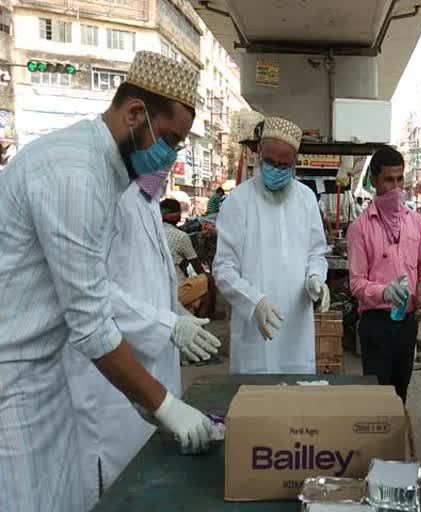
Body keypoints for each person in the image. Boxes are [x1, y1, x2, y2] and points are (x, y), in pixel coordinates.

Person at [0, 51, 215, 511]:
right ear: (135, 112)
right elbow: (92, 322)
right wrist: (164, 405)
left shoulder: (107, 172)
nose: (172, 156)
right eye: (171, 141)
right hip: (12, 381)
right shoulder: (74, 174)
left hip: (46, 374)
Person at [64, 181, 221, 508]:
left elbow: (150, 281)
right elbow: (90, 291)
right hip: (109, 386)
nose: (169, 152)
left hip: (155, 372)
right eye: (170, 139)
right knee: (115, 491)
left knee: (154, 482)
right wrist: (167, 323)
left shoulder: (146, 201)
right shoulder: (94, 194)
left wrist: (176, 313)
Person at [213, 116, 331, 374]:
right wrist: (254, 302)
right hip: (255, 330)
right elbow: (223, 268)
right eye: (270, 162)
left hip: (296, 332)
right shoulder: (238, 201)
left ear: (294, 163)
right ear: (259, 154)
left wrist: (315, 278)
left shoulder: (306, 198)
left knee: (298, 406)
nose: (275, 169)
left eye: (283, 164)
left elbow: (316, 252)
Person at [347, 147, 421, 402]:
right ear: (374, 181)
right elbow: (357, 283)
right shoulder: (360, 228)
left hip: (407, 323)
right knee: (379, 399)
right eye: (388, 179)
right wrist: (383, 291)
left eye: (400, 179)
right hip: (376, 324)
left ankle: (395, 440)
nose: (395, 187)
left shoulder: (414, 221)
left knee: (400, 393)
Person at [161, 198, 218, 319]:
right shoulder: (181, 236)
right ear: (176, 214)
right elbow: (198, 268)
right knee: (208, 280)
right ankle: (205, 318)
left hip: (157, 286)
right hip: (175, 290)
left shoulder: (153, 230)